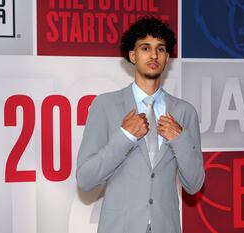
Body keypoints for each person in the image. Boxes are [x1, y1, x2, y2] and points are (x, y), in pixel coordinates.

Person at [76, 16, 205, 233]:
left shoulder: (184, 112)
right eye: (146, 48)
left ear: (166, 58)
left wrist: (180, 139)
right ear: (132, 55)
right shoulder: (105, 105)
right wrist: (125, 137)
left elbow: (194, 185)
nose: (154, 55)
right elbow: (85, 179)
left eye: (161, 49)